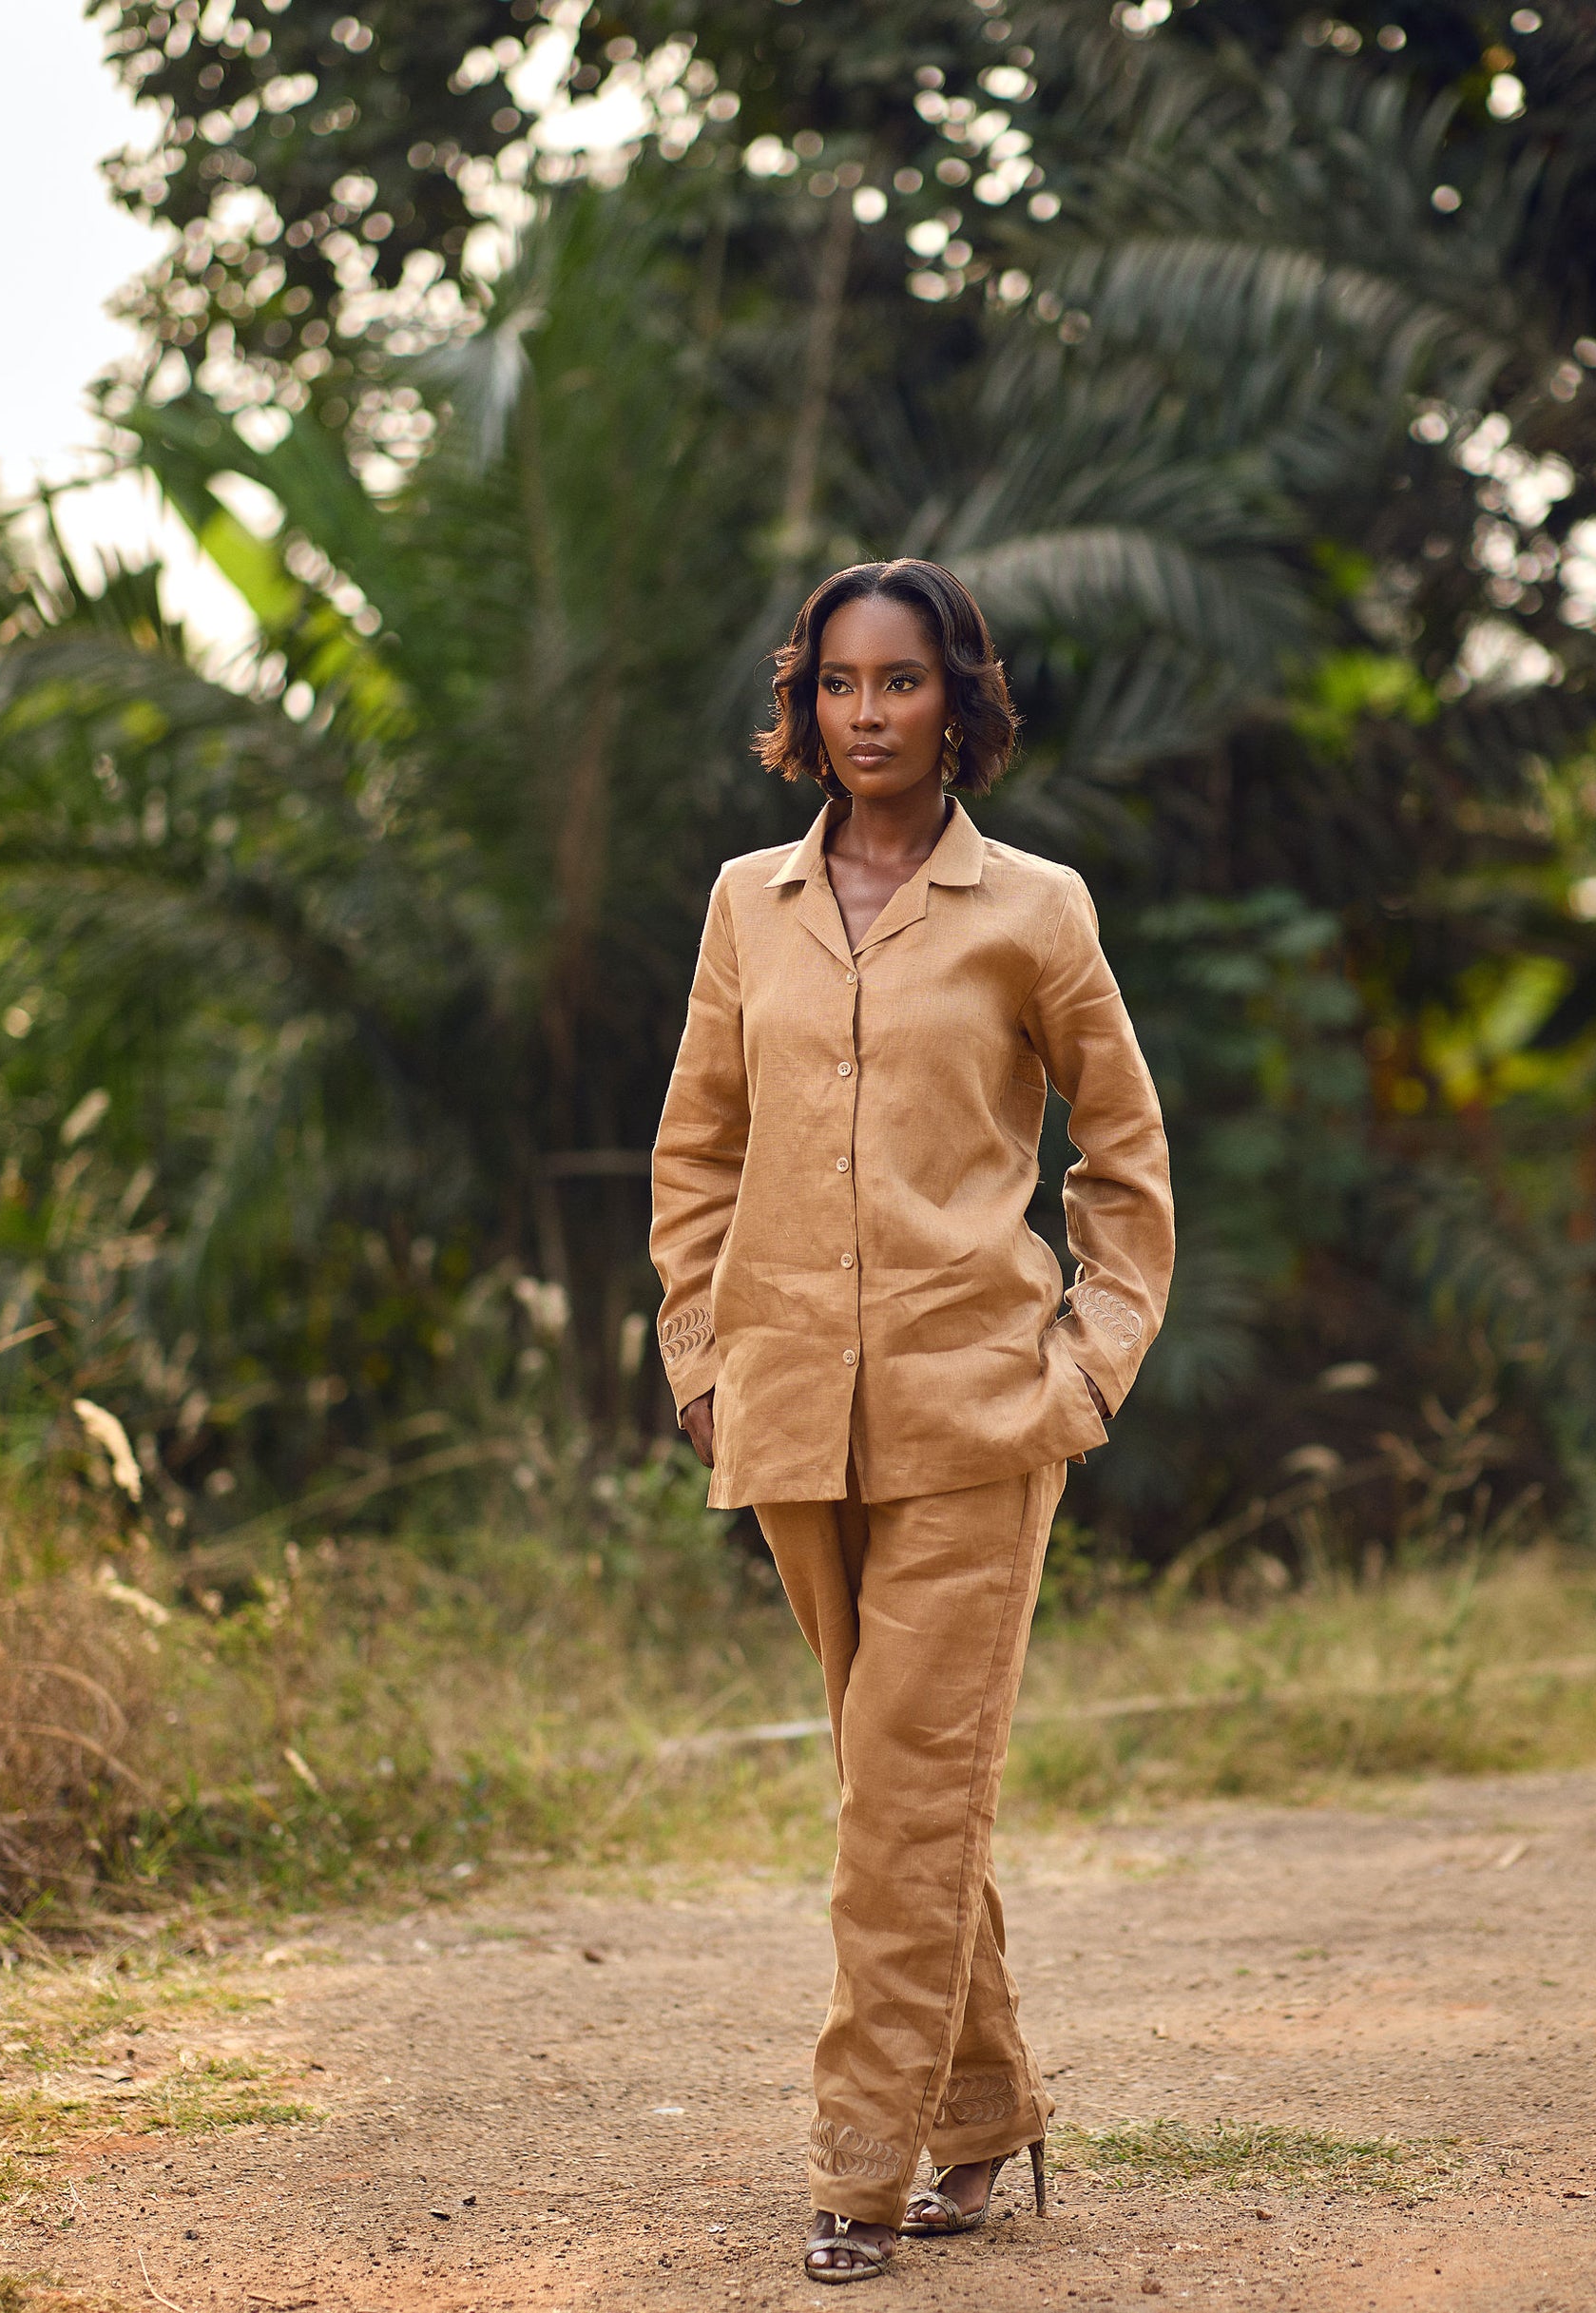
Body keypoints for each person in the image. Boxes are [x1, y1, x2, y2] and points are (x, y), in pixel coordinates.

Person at [649, 559, 1173, 2284]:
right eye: (836, 684)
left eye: (899, 681)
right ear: (803, 704)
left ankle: (860, 2166)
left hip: (977, 1406)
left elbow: (1122, 1150)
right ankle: (987, 2107)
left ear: (958, 697)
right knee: (902, 1783)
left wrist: (1087, 1362)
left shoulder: (1035, 909)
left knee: (901, 1799)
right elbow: (699, 1150)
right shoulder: (747, 904)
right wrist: (699, 1356)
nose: (865, 713)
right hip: (790, 1407)